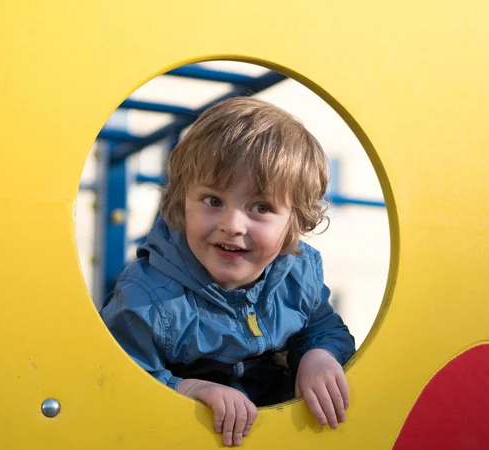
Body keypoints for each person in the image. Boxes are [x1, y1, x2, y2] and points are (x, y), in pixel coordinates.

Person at [100, 97, 355, 446]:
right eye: (213, 201)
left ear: (293, 222)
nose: (232, 224)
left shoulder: (298, 276)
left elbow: (323, 327)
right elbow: (113, 377)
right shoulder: (148, 297)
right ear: (182, 201)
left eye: (260, 207)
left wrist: (318, 355)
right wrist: (185, 388)